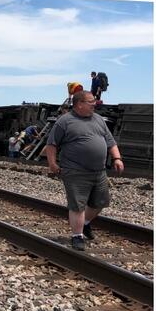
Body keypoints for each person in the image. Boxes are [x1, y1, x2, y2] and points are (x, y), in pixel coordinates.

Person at [44, 90, 124, 251]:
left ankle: (85, 224)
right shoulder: (64, 121)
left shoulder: (98, 120)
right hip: (75, 171)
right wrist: (52, 164)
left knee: (100, 202)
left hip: (98, 171)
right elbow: (51, 144)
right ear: (79, 104)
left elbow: (110, 141)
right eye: (91, 101)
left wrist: (117, 158)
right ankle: (77, 236)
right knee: (78, 205)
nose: (95, 104)